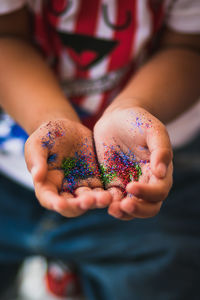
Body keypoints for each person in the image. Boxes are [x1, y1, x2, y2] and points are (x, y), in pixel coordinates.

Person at [0, 0, 199, 299]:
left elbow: (188, 48)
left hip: (151, 166)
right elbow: (7, 38)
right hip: (8, 160)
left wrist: (133, 108)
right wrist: (50, 118)